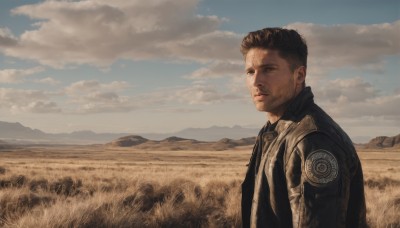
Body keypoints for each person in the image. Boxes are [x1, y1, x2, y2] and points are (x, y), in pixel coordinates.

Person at [240, 28, 367, 228]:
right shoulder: (274, 130)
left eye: (268, 69)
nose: (256, 81)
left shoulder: (312, 140)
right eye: (250, 72)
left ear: (299, 75)